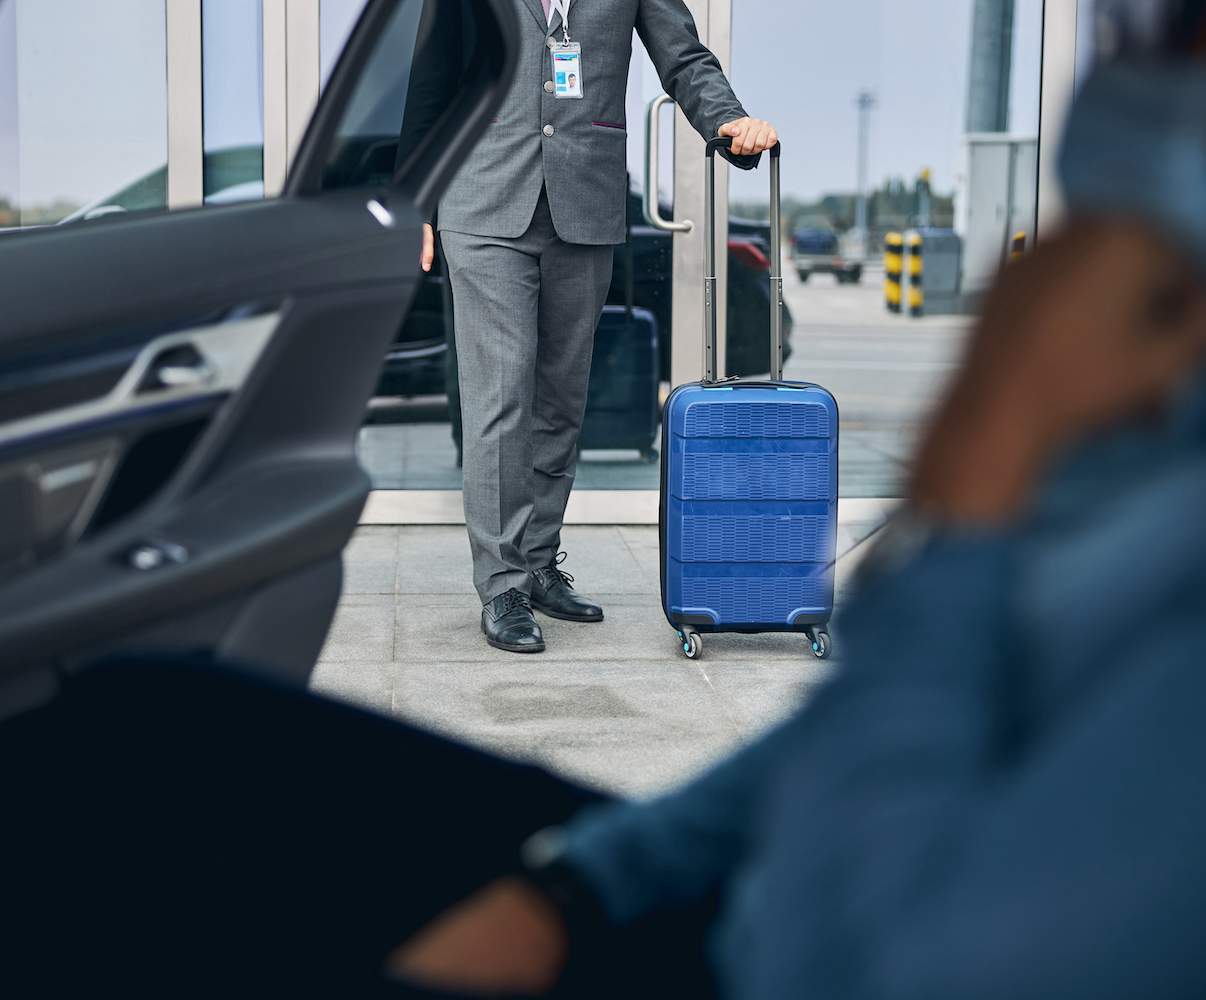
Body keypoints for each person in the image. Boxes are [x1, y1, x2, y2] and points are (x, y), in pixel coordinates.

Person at [407, 0, 778, 653]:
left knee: (561, 398)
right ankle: (502, 586)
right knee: (501, 395)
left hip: (585, 198)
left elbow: (683, 57)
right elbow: (432, 75)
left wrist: (729, 120)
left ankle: (538, 560)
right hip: (483, 198)